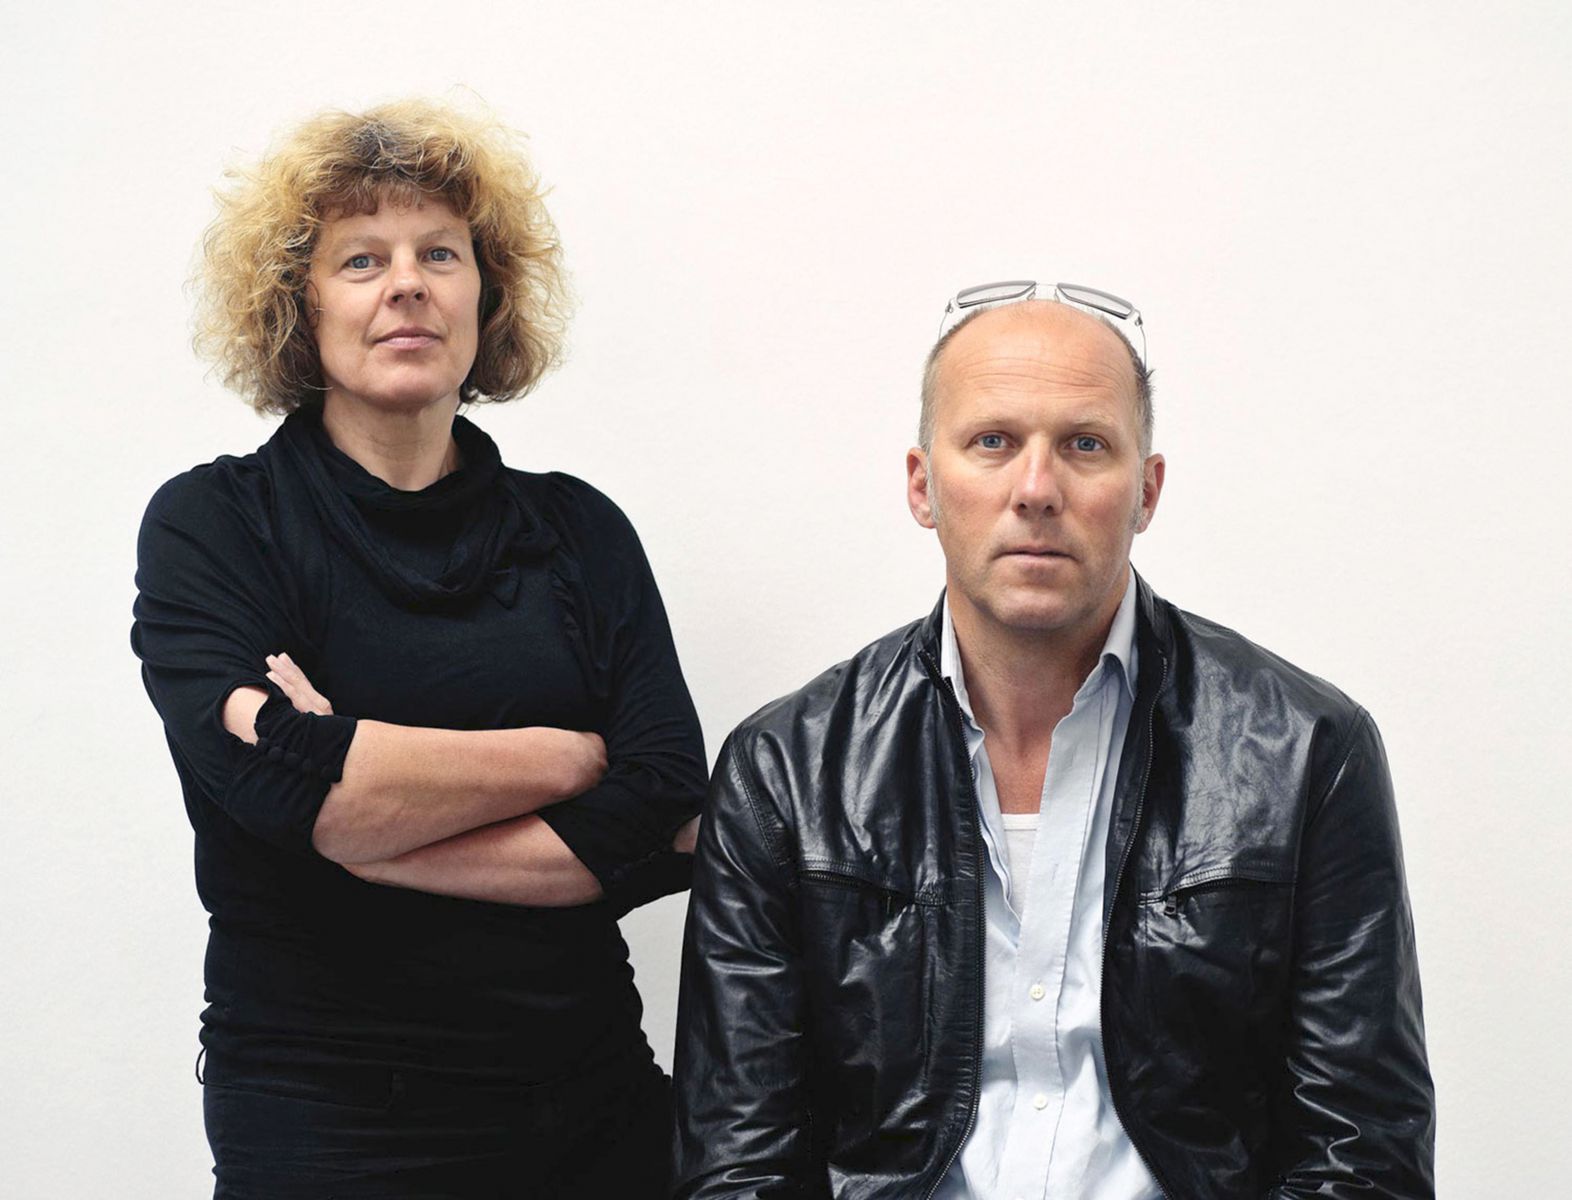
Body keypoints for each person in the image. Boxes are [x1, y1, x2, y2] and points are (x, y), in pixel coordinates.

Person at [672, 281, 1435, 1198]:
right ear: (923, 485)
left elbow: (1362, 1151)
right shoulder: (787, 772)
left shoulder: (1308, 752)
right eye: (993, 442)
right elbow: (737, 1162)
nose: (1037, 490)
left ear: (1146, 492)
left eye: (1085, 445)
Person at [131, 99, 705, 1198]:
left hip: (592, 1110)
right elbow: (279, 787)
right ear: (297, 307)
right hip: (328, 1121)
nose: (408, 284)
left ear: (486, 297)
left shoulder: (578, 531)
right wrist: (567, 760)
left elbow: (669, 811)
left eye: (439, 253)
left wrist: (360, 795)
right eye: (361, 259)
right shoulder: (216, 524)